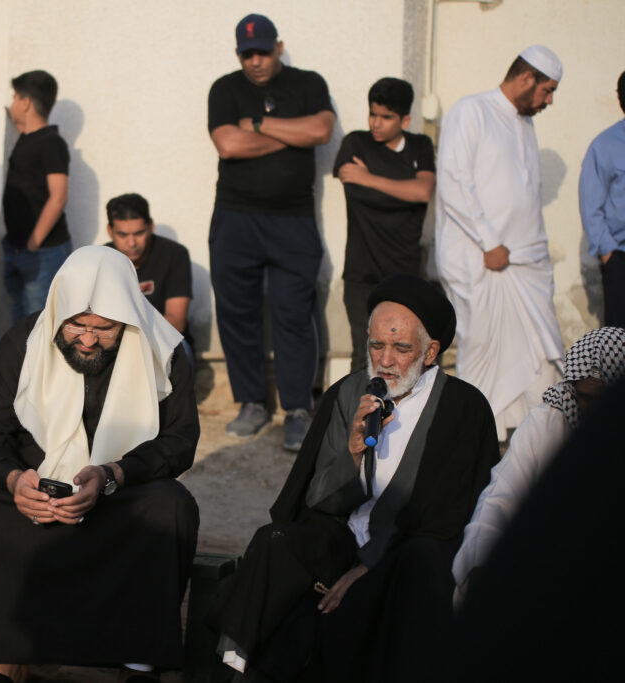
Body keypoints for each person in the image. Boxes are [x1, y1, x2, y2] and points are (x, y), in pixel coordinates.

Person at [0, 246, 200, 682]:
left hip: (113, 498)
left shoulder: (163, 350)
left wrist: (112, 474)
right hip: (31, 498)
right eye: (76, 324)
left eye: (104, 328)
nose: (88, 340)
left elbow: (179, 442)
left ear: (128, 320)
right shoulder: (24, 341)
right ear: (58, 312)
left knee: (171, 507)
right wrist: (14, 481)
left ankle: (137, 660)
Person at [213, 274, 499, 683]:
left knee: (419, 565)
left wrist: (369, 564)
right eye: (376, 345)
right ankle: (235, 665)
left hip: (408, 549)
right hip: (345, 534)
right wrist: (351, 452)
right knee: (276, 542)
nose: (385, 360)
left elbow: (446, 513)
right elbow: (315, 499)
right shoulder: (347, 394)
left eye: (401, 348)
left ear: (431, 351)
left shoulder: (463, 408)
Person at [207, 13, 335, 448]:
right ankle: (252, 403)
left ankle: (297, 409)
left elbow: (321, 130)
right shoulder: (225, 89)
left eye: (262, 51)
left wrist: (259, 126)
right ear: (238, 55)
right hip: (236, 218)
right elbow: (228, 144)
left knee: (293, 314)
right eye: (247, 55)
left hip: (293, 220)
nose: (256, 61)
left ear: (278, 47)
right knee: (237, 312)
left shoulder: (308, 84)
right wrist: (292, 135)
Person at [435, 45, 565, 441]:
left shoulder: (524, 123)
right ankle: (475, 438)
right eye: (547, 90)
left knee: (539, 355)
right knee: (483, 349)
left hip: (524, 265)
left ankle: (529, 439)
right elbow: (454, 181)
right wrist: (489, 242)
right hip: (478, 259)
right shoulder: (471, 111)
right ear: (526, 79)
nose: (549, 101)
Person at [452, 325, 625, 605]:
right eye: (586, 398)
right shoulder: (550, 420)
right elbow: (502, 495)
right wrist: (481, 561)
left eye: (604, 400)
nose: (593, 411)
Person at [334, 77, 436, 374]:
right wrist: (402, 191)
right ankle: (359, 408)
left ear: (405, 120)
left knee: (406, 360)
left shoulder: (419, 146)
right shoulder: (356, 143)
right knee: (364, 357)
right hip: (361, 275)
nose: (376, 123)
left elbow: (422, 192)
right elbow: (354, 190)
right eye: (372, 114)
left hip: (405, 276)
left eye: (386, 117)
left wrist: (367, 178)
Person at [1, 69, 72, 323]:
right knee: (21, 320)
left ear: (25, 102)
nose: (12, 104)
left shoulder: (51, 142)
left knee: (40, 322)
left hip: (43, 250)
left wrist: (33, 243)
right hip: (17, 246)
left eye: (14, 98)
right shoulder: (25, 139)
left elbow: (58, 196)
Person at [104, 192, 193, 352]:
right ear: (110, 231)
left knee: (181, 350)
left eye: (139, 233)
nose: (132, 243)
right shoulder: (101, 260)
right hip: (114, 347)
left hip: (164, 343)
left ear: (150, 227)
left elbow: (177, 323)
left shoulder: (175, 255)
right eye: (123, 235)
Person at [578, 71, 625, 328]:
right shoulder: (605, 145)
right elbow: (591, 206)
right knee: (620, 340)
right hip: (621, 258)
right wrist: (609, 254)